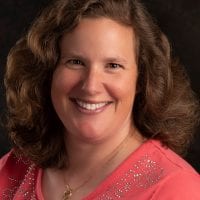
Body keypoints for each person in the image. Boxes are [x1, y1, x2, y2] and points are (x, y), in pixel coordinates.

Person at [0, 0, 200, 199]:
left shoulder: (177, 189)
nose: (91, 86)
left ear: (141, 80)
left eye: (113, 66)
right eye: (75, 62)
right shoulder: (11, 169)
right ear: (48, 72)